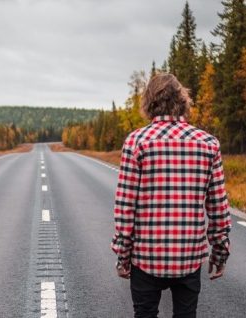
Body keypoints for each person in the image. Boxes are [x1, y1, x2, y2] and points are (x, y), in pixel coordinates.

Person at [110, 73, 232, 318]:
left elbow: (125, 208)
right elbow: (218, 207)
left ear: (149, 103)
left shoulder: (136, 142)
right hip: (188, 257)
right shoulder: (208, 144)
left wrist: (123, 254)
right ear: (182, 100)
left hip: (146, 257)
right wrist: (219, 252)